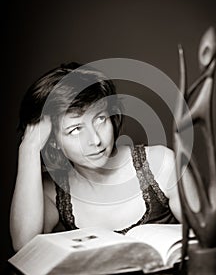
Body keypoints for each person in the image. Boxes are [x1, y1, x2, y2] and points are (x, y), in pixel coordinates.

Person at [10, 62, 190, 252]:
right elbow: (24, 247)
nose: (95, 140)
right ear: (53, 141)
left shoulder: (161, 164)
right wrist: (28, 148)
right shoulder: (52, 191)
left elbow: (207, 240)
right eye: (76, 129)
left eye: (100, 119)